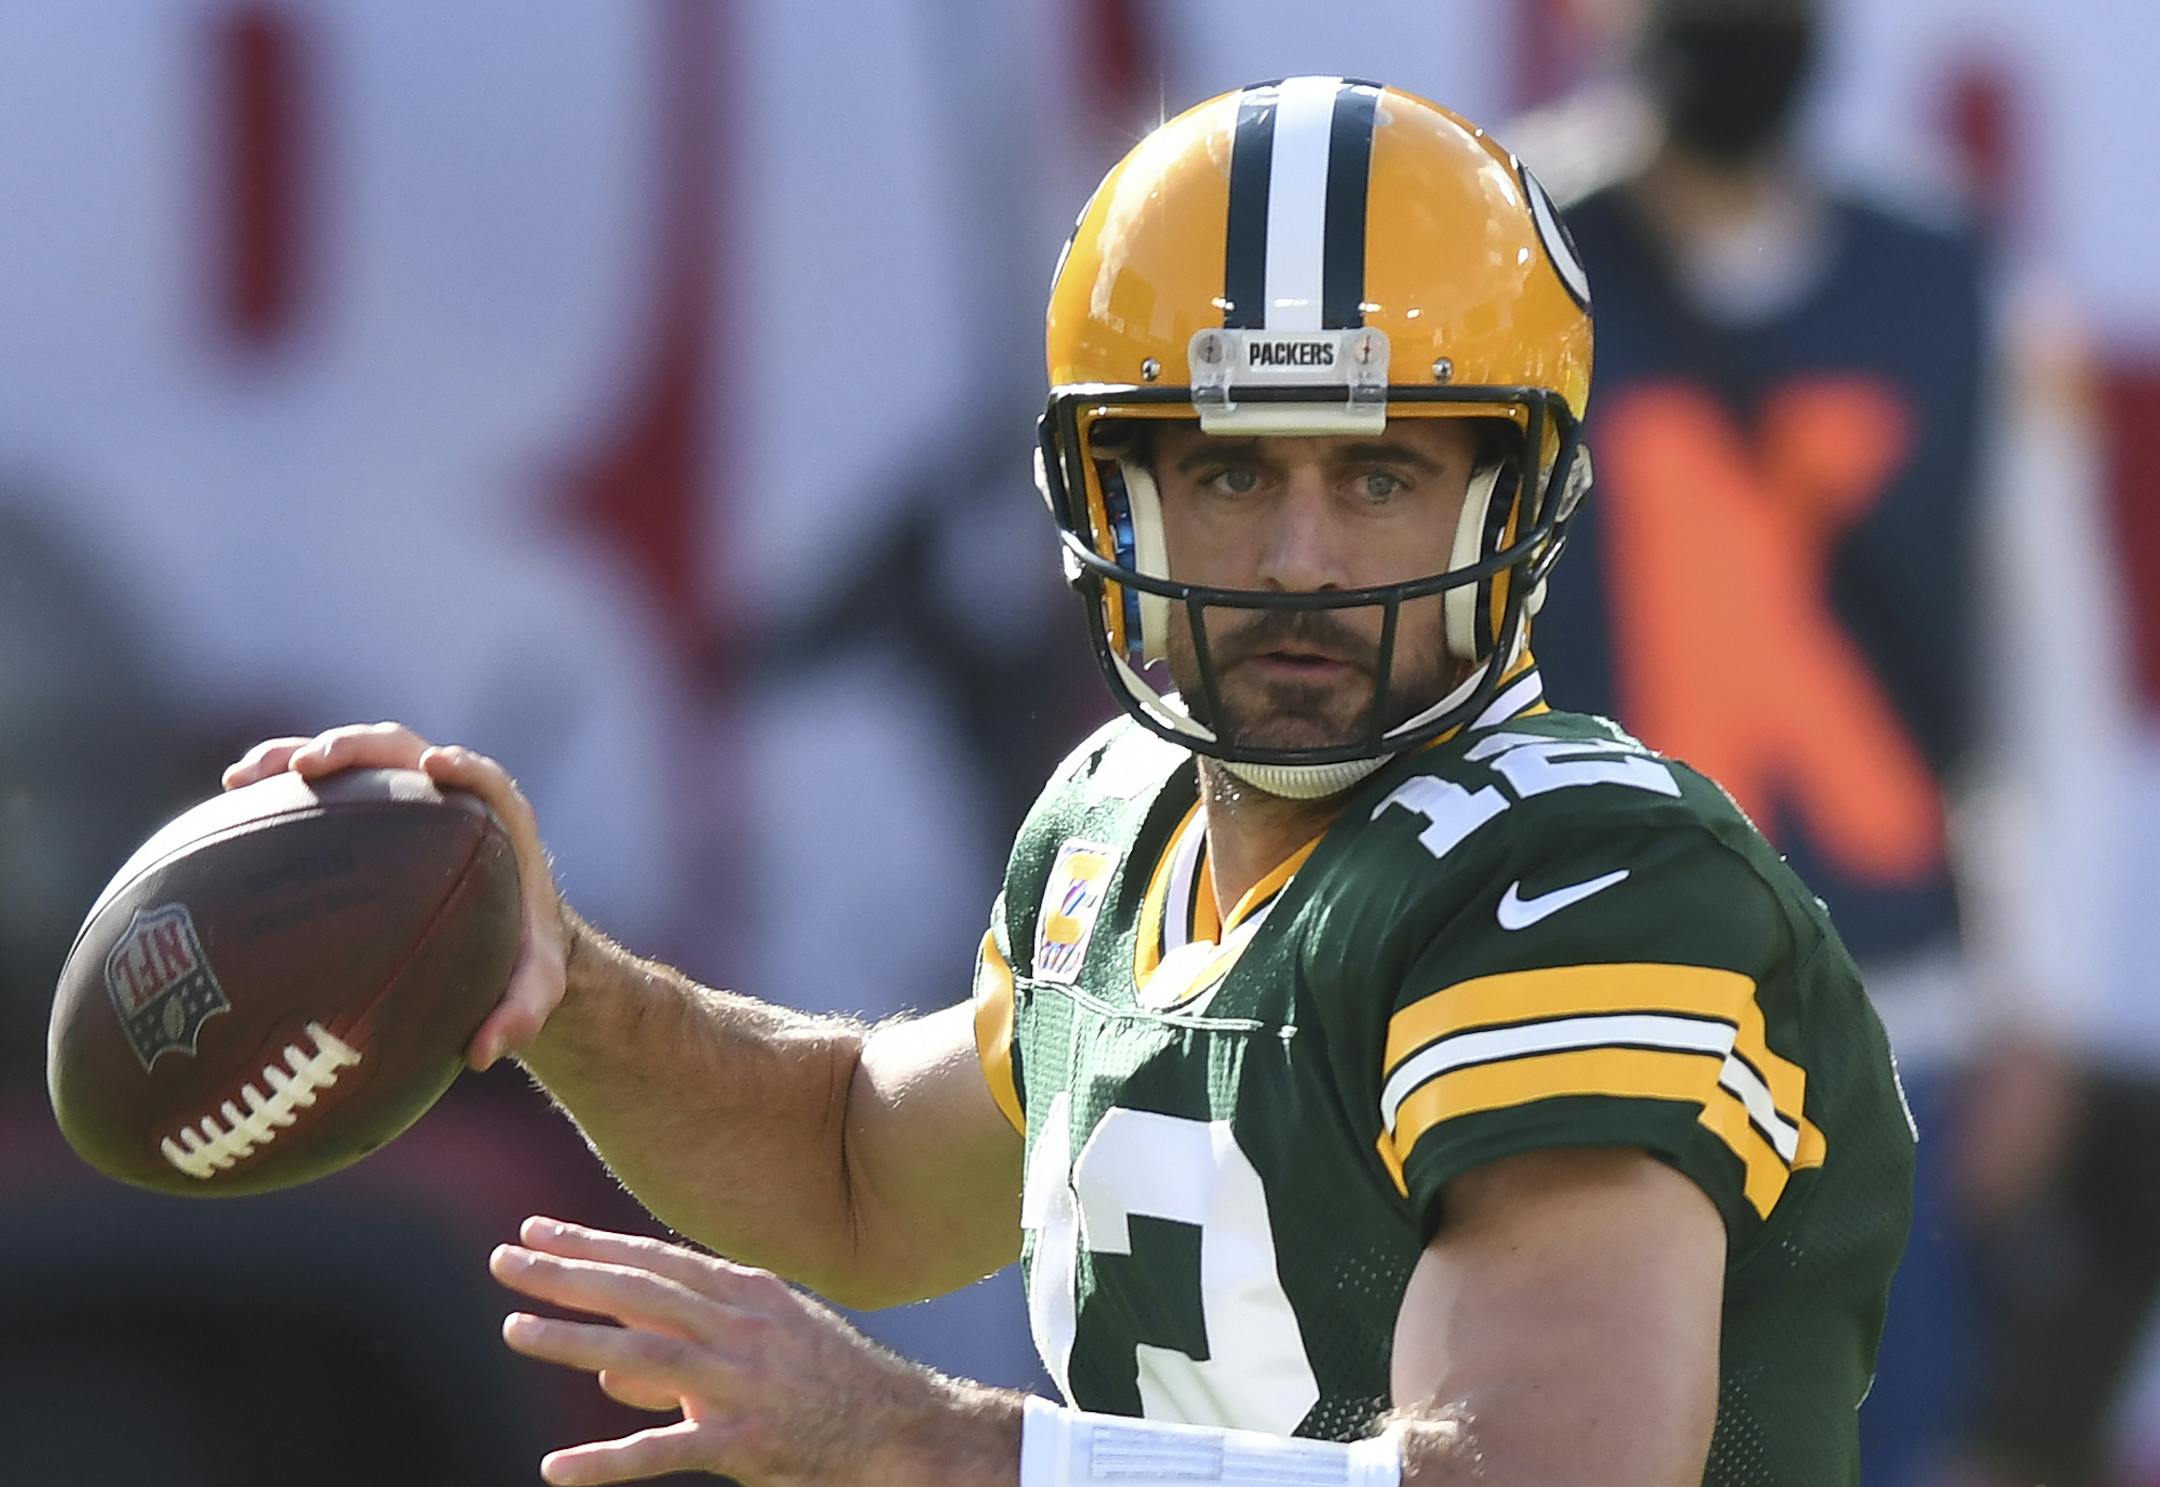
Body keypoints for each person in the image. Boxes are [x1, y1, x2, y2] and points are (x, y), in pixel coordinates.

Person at [225, 80, 1913, 1487]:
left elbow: (1546, 1472)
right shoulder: (1125, 809)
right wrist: (563, 978)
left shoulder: (1587, 881)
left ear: (1510, 501)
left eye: (1383, 472)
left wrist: (926, 1442)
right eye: (1232, 473)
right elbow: (858, 1171)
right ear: (1116, 495)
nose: (1302, 561)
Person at [1507, 3, 2132, 1481]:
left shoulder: (1948, 275)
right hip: (1560, 1048)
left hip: (1881, 1042)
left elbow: (2054, 661)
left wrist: (2039, 1000)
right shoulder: (1499, 259)